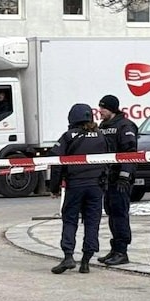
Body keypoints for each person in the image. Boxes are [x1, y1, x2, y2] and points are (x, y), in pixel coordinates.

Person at [49, 104, 108, 274]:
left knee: (70, 220)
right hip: (96, 186)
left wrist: (54, 187)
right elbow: (109, 158)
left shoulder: (69, 136)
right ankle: (86, 261)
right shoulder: (100, 135)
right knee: (92, 222)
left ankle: (68, 256)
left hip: (75, 185)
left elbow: (57, 163)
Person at [97, 94, 138, 266]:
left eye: (103, 108)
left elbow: (130, 153)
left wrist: (125, 175)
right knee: (111, 213)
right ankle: (115, 250)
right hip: (108, 178)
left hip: (120, 179)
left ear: (112, 109)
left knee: (120, 214)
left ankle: (122, 251)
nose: (100, 111)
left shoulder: (125, 126)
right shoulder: (103, 126)